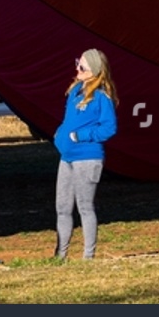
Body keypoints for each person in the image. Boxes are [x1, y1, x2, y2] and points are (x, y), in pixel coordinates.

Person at [54, 49, 118, 260]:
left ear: (95, 71)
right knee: (62, 207)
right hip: (67, 158)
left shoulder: (101, 96)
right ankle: (60, 256)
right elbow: (69, 119)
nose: (77, 69)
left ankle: (87, 257)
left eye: (82, 67)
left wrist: (80, 136)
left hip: (88, 158)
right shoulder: (75, 90)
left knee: (85, 207)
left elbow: (109, 128)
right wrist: (60, 135)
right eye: (77, 63)